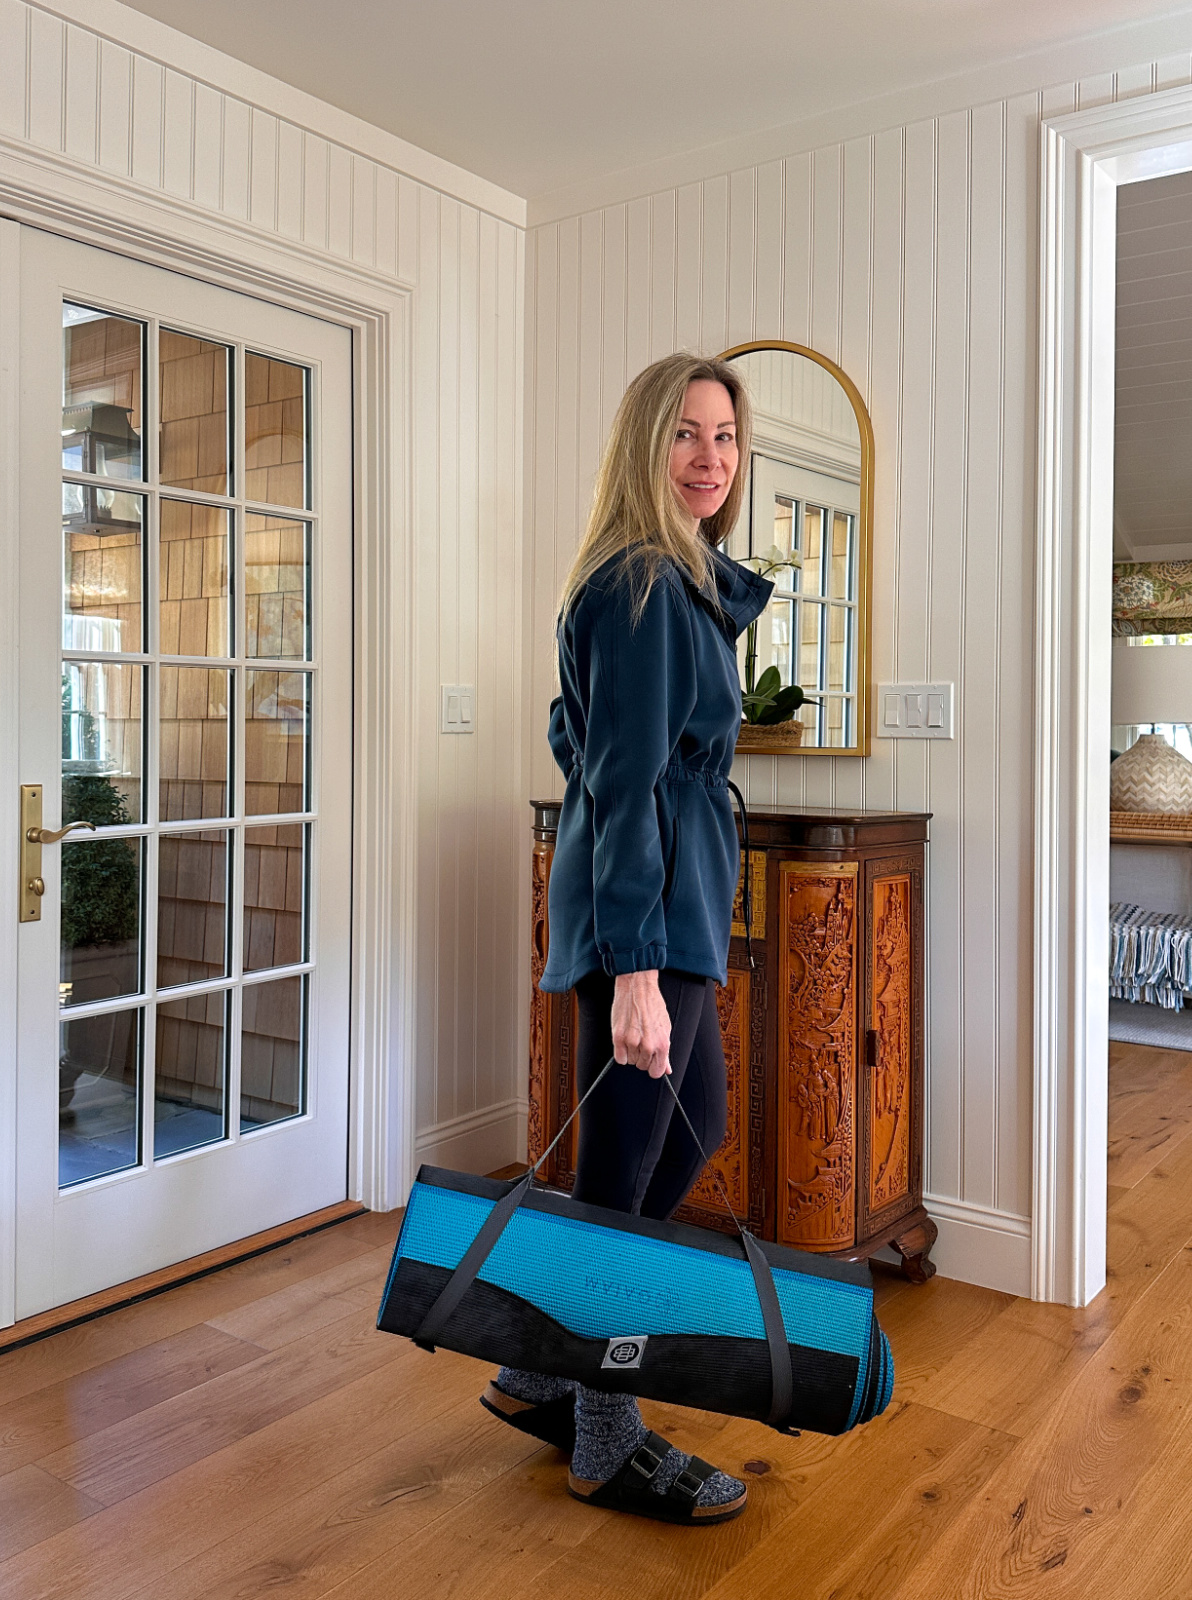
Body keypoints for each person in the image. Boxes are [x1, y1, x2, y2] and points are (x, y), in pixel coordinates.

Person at [483, 352, 773, 1526]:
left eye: (727, 435)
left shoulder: (669, 582)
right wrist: (637, 970)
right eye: (686, 434)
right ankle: (607, 1432)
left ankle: (546, 1364)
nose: (711, 457)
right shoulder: (645, 585)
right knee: (621, 1173)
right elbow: (621, 775)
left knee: (684, 1133)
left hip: (673, 904)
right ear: (645, 448)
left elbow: (579, 734)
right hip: (646, 922)